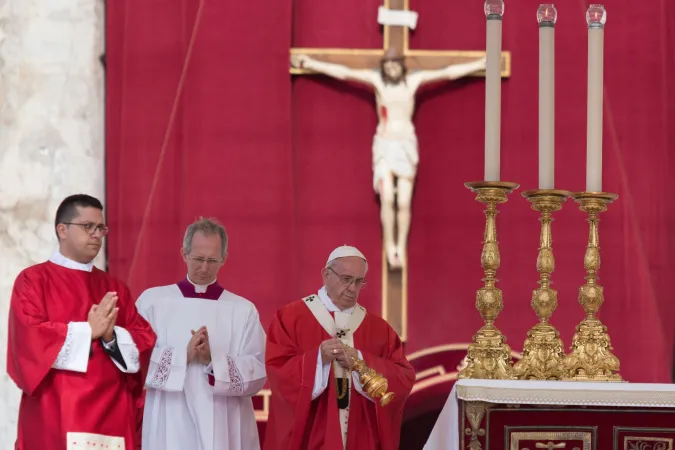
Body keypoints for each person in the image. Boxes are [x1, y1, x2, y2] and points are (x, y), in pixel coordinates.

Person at [291, 49, 486, 269]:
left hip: (405, 146)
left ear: (402, 65)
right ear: (383, 67)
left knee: (403, 201)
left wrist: (480, 63)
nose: (391, 69)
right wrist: (311, 63)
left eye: (395, 64)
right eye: (388, 65)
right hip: (385, 146)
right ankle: (389, 247)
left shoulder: (413, 81)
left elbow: (448, 73)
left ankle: (400, 246)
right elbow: (343, 73)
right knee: (386, 200)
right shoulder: (377, 81)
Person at [6, 194, 157, 450]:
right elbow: (30, 340)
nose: (97, 234)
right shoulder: (33, 280)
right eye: (88, 226)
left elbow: (144, 341)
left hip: (112, 413)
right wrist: (88, 331)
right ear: (62, 230)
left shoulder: (115, 288)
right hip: (57, 410)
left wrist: (111, 338)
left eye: (101, 228)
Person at [264, 245, 415, 450]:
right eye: (346, 279)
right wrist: (318, 360)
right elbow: (278, 372)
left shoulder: (379, 329)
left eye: (359, 281)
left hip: (360, 437)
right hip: (311, 437)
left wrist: (361, 362)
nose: (353, 288)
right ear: (326, 275)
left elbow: (403, 377)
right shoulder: (291, 319)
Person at [136, 217, 267, 450]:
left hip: (224, 422)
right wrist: (183, 356)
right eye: (198, 259)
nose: (204, 268)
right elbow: (135, 360)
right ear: (184, 254)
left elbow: (257, 370)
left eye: (212, 260)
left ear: (224, 259)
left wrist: (213, 362)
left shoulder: (242, 309)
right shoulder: (153, 302)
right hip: (170, 419)